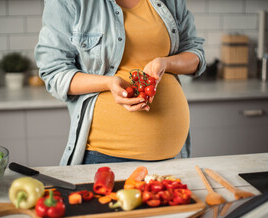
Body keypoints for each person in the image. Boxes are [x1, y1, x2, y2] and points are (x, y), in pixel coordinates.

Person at [35, 0, 206, 165]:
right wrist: (109, 83)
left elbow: (195, 54)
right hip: (104, 157)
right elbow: (54, 73)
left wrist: (167, 63)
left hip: (173, 156)